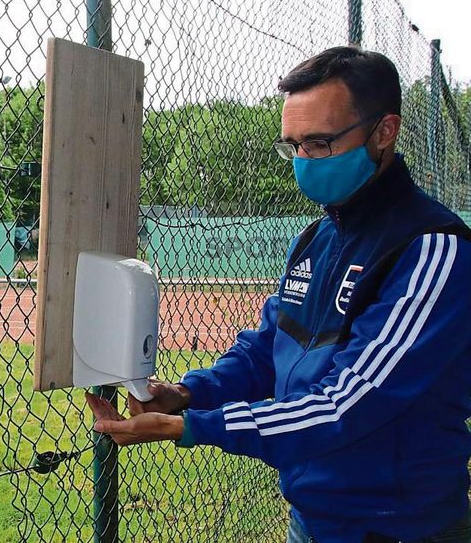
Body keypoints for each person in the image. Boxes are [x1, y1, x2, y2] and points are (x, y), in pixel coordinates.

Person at [86, 46, 471, 542]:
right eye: (292, 147)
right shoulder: (315, 240)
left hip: (400, 528)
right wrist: (188, 393)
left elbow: (344, 405)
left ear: (384, 132)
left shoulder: (431, 249)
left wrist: (195, 427)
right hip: (310, 520)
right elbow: (267, 349)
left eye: (319, 144)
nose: (304, 162)